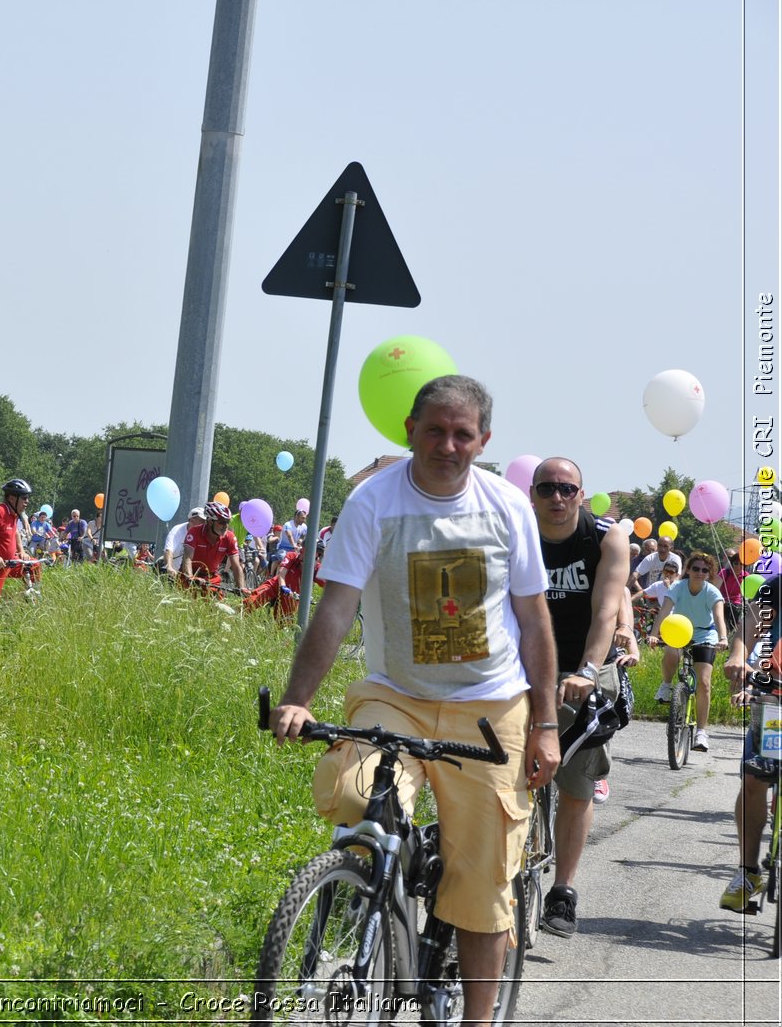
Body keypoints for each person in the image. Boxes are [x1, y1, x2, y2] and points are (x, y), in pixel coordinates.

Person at [269, 375, 558, 1027]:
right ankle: (377, 893)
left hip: (490, 708)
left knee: (482, 886)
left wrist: (544, 725)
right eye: (435, 430)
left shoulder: (507, 507)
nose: (448, 445)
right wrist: (298, 699)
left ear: (484, 440)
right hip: (394, 696)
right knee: (352, 795)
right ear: (409, 429)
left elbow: (535, 621)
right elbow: (336, 607)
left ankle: (477, 1017)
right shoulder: (374, 502)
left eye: (463, 434)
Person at [529, 456, 635, 938]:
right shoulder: (519, 533)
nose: (557, 498)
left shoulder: (606, 537)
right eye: (547, 488)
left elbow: (606, 610)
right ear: (532, 492)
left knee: (576, 784)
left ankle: (563, 891)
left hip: (583, 667)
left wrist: (589, 671)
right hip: (525, 668)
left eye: (566, 489)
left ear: (581, 493)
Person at [722, 574, 780, 912]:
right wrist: (738, 655)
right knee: (755, 778)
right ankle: (748, 871)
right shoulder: (777, 589)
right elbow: (750, 625)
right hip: (775, 701)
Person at [648, 550, 728, 752]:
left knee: (704, 682)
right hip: (679, 630)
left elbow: (719, 617)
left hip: (704, 634)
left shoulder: (712, 592)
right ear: (688, 570)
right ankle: (666, 686)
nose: (699, 572)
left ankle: (701, 733)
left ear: (709, 573)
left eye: (704, 570)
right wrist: (654, 633)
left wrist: (723, 638)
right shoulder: (678, 587)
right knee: (671, 652)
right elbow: (665, 610)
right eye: (695, 568)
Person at [179, 502, 248, 594]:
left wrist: (242, 588)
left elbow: (236, 566)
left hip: (211, 577)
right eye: (222, 522)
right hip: (191, 574)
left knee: (216, 607)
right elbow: (187, 558)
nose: (226, 526)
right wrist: (191, 578)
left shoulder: (229, 537)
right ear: (210, 521)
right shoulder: (194, 532)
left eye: (228, 522)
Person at [162, 508, 207, 574]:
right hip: (175, 572)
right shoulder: (177, 530)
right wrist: (169, 567)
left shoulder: (206, 533)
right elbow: (168, 550)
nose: (202, 523)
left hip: (195, 573)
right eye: (200, 520)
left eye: (203, 521)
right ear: (190, 520)